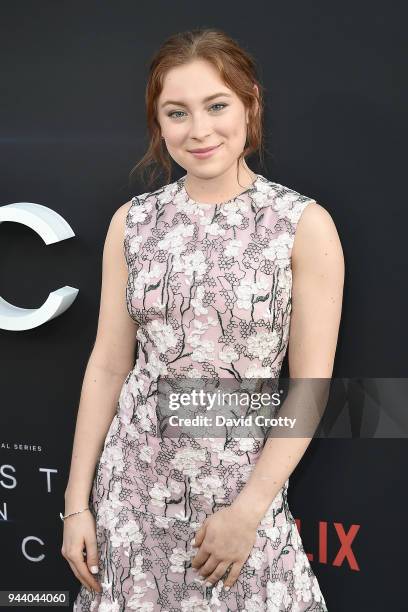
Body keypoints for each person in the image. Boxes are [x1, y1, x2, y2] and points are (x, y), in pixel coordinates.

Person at [62, 28, 344, 611]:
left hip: (242, 493)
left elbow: (311, 388)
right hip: (131, 494)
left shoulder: (302, 225)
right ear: (158, 123)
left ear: (250, 104)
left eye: (217, 105)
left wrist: (249, 511)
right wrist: (77, 503)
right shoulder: (133, 224)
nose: (199, 130)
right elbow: (110, 365)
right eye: (177, 112)